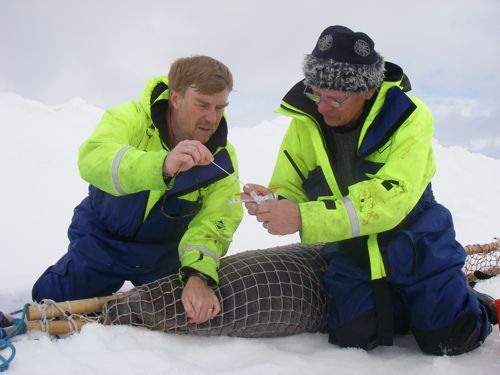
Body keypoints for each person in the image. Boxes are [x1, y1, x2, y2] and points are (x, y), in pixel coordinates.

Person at [243, 26, 499, 355]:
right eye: (316, 94)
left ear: (367, 89)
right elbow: (290, 185)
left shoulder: (410, 117)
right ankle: (415, 305)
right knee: (353, 338)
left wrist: (303, 217)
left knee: (449, 339)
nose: (321, 107)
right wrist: (273, 201)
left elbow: (390, 200)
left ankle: (479, 307)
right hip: (353, 253)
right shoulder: (304, 121)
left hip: (417, 242)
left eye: (335, 99)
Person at [32, 55, 243, 325]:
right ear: (175, 98)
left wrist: (197, 276)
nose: (212, 118)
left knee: (189, 317)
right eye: (202, 105)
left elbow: (215, 221)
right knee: (48, 298)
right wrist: (161, 165)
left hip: (162, 255)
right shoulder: (131, 118)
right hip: (102, 240)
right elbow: (93, 159)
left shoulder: (222, 159)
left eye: (220, 107)